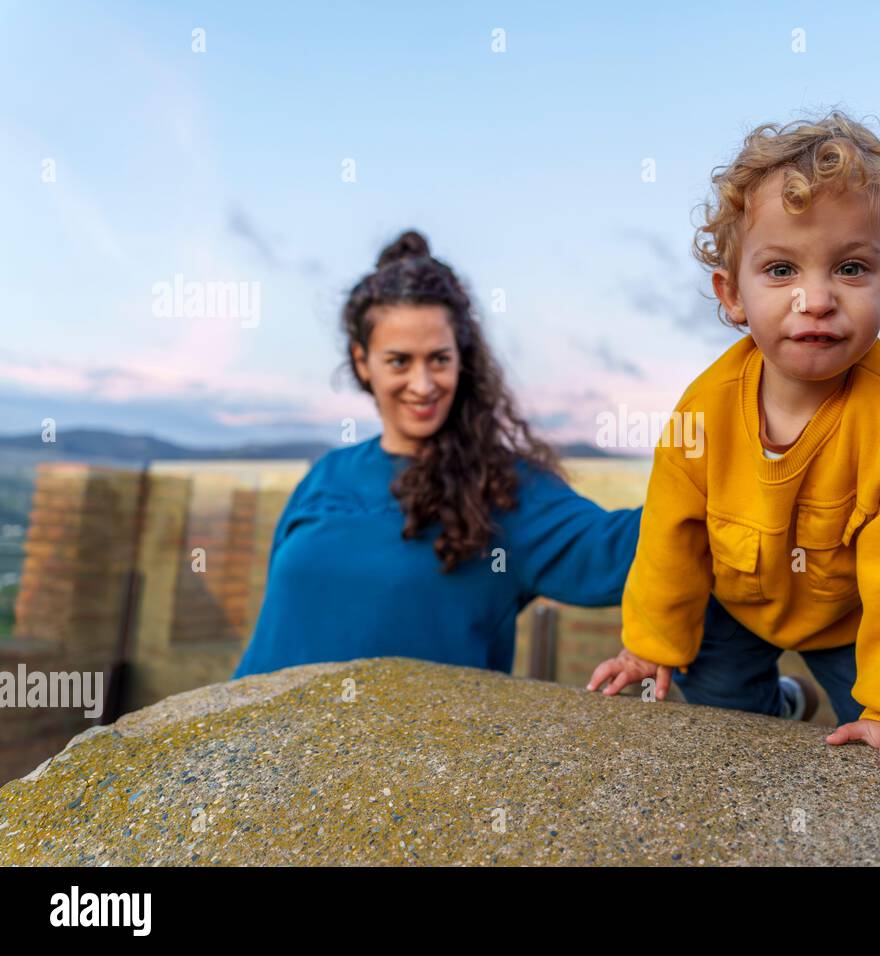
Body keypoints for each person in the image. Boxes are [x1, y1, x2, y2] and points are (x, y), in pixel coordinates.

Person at [587, 111, 880, 775]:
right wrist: (650, 645)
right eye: (780, 269)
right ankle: (777, 703)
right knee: (725, 722)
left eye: (851, 268)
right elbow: (671, 533)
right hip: (735, 604)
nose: (815, 299)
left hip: (854, 622)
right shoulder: (704, 410)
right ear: (732, 294)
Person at [234, 230, 640, 679]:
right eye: (399, 361)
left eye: (439, 360)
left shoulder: (506, 489)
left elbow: (626, 550)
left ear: (462, 360)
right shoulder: (326, 474)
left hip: (413, 748)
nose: (423, 384)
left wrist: (715, 451)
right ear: (361, 361)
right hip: (260, 740)